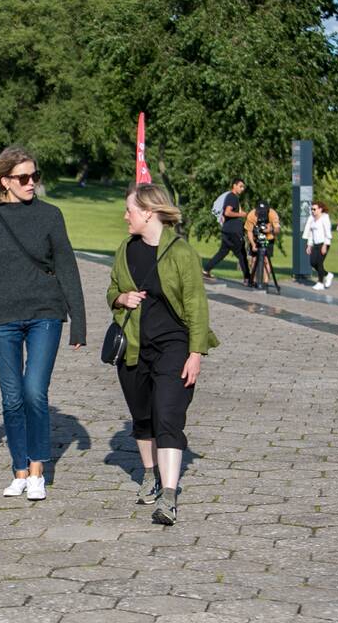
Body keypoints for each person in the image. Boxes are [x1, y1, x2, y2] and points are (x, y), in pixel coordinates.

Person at [0, 147, 86, 502]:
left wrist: (79, 322)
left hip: (45, 314)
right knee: (12, 398)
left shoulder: (50, 215)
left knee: (34, 392)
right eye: (23, 178)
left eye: (35, 176)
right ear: (5, 181)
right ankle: (19, 470)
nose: (31, 183)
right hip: (2, 318)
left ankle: (37, 472)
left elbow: (66, 267)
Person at [107, 183, 219, 526]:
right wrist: (121, 298)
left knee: (168, 416)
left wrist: (195, 353)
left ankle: (168, 497)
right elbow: (112, 288)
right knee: (143, 418)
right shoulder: (125, 250)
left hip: (174, 347)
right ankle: (149, 474)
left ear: (148, 212)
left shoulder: (183, 253)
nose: (125, 216)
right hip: (134, 348)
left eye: (129, 210)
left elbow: (197, 307)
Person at [202, 178, 249, 284]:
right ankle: (247, 278)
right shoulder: (232, 197)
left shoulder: (231, 197)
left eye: (243, 187)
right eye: (240, 186)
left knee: (222, 252)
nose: (242, 189)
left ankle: (206, 270)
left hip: (227, 230)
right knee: (241, 254)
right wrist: (240, 215)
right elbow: (227, 213)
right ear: (234, 186)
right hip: (233, 231)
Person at [244, 200, 280, 289]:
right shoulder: (251, 215)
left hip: (268, 239)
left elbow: (277, 229)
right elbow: (249, 231)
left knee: (266, 260)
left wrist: (270, 230)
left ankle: (265, 282)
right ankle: (254, 281)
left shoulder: (272, 214)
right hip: (256, 239)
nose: (261, 213)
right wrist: (252, 244)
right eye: (259, 211)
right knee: (253, 260)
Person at [303, 202, 334, 290]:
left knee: (319, 263)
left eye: (314, 209)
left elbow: (327, 233)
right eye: (312, 209)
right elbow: (311, 233)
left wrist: (325, 245)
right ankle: (328, 275)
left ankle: (320, 282)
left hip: (324, 243)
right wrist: (309, 245)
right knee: (312, 263)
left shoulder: (324, 218)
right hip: (315, 244)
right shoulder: (312, 219)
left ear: (320, 209)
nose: (313, 211)